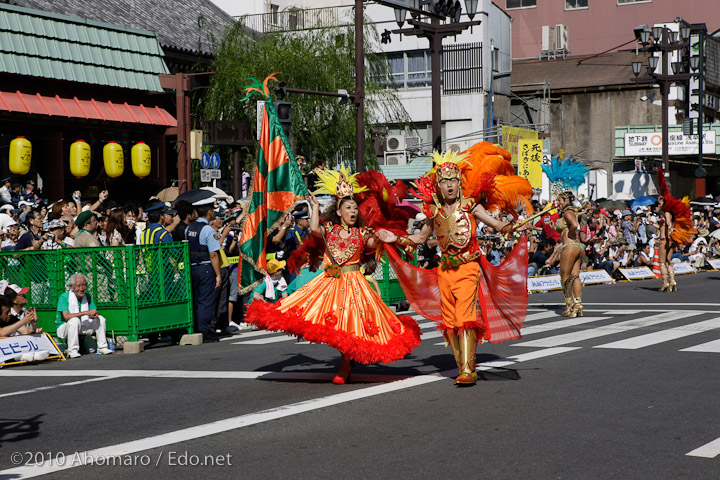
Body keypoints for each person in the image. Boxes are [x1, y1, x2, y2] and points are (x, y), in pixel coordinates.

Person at [244, 167, 422, 385]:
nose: (353, 211)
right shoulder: (330, 230)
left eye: (355, 208)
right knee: (319, 321)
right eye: (348, 207)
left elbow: (373, 244)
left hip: (355, 284)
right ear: (339, 212)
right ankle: (346, 359)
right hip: (330, 283)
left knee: (352, 326)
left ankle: (345, 366)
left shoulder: (362, 233)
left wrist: (383, 237)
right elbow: (314, 227)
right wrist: (315, 206)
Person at [396, 145, 533, 386]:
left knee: (465, 317)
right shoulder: (434, 211)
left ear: (459, 183)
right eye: (444, 181)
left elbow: (496, 225)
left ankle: (469, 369)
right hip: (444, 271)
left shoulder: (471, 205)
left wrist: (511, 227)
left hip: (469, 267)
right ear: (438, 185)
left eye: (453, 180)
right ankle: (463, 365)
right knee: (449, 323)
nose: (449, 185)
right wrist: (394, 238)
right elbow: (419, 238)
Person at [186, 198, 222, 342]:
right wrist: (218, 274)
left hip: (192, 268)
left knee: (195, 298)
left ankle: (195, 327)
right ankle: (205, 330)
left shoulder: (190, 228)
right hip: (206, 268)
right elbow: (213, 254)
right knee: (206, 300)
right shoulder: (208, 229)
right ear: (209, 212)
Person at [656, 168, 696, 292]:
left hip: (665, 240)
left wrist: (669, 229)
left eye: (659, 202)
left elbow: (668, 223)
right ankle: (672, 281)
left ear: (663, 202)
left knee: (662, 262)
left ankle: (665, 283)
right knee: (668, 261)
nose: (658, 205)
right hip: (670, 240)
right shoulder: (669, 213)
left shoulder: (667, 213)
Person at [56, 273, 112, 358]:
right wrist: (86, 313)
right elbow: (67, 317)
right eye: (78, 286)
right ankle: (73, 350)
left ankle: (102, 347)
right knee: (74, 320)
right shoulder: (64, 297)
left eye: (84, 285)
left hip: (83, 325)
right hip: (65, 328)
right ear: (71, 287)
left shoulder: (87, 296)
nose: (81, 289)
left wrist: (94, 315)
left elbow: (93, 311)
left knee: (101, 319)